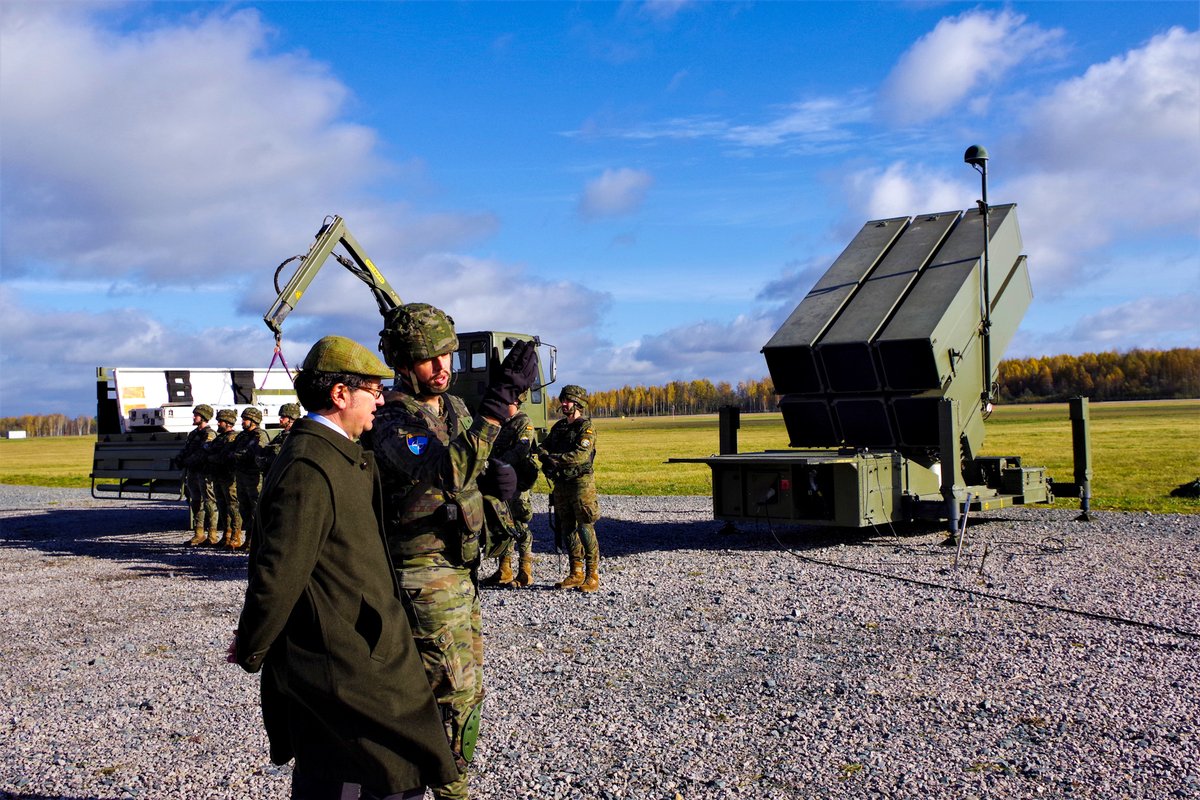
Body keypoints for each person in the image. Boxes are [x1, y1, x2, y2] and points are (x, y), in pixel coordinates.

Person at [230, 335, 460, 800]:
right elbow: (279, 570)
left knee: (360, 768)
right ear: (339, 394)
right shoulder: (309, 465)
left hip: (364, 640)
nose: (381, 399)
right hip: (343, 653)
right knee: (372, 767)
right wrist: (254, 643)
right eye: (372, 391)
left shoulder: (338, 453)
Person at [367, 303, 537, 800]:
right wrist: (495, 403)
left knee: (468, 690)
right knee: (449, 693)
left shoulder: (453, 408)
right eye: (428, 360)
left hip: (461, 571)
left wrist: (506, 477)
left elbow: (474, 471)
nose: (442, 368)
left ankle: (444, 784)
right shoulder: (392, 419)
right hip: (422, 577)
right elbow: (444, 471)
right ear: (402, 363)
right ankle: (448, 790)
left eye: (447, 356)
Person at [538, 384, 601, 592]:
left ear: (578, 403)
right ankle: (576, 572)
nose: (564, 404)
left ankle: (592, 575)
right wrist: (542, 452)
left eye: (568, 401)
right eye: (563, 400)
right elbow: (545, 445)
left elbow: (580, 456)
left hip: (581, 483)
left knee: (585, 526)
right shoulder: (560, 427)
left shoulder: (586, 428)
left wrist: (554, 460)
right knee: (567, 528)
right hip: (561, 483)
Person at [480, 395, 540, 588]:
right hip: (502, 481)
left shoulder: (524, 423)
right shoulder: (503, 423)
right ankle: (504, 570)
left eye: (505, 403)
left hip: (518, 481)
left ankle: (525, 572)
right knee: (504, 524)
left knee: (520, 525)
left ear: (515, 403)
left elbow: (520, 451)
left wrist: (495, 463)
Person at [178, 404, 218, 546]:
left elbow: (204, 452)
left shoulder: (210, 434)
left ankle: (212, 535)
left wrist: (189, 460)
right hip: (193, 472)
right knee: (195, 502)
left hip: (204, 472)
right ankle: (199, 533)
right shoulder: (193, 434)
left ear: (204, 417)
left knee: (209, 502)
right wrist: (180, 459)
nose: (194, 417)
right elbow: (187, 449)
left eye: (197, 415)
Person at [232, 407, 270, 550]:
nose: (243, 422)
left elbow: (257, 453)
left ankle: (256, 540)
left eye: (245, 419)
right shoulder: (242, 436)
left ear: (254, 420)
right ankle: (248, 538)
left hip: (254, 477)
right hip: (242, 475)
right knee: (244, 507)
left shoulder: (259, 435)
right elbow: (233, 450)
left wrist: (238, 455)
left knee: (255, 507)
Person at [207, 408, 241, 548]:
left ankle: (236, 535)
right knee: (222, 506)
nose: (218, 423)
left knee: (233, 507)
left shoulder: (232, 438)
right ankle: (226, 536)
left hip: (228, 478)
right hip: (218, 476)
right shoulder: (219, 438)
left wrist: (212, 458)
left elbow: (224, 457)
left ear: (228, 423)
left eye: (221, 421)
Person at [256, 402, 302, 475]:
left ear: (292, 418)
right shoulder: (281, 435)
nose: (280, 419)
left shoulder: (296, 436)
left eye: (283, 417)